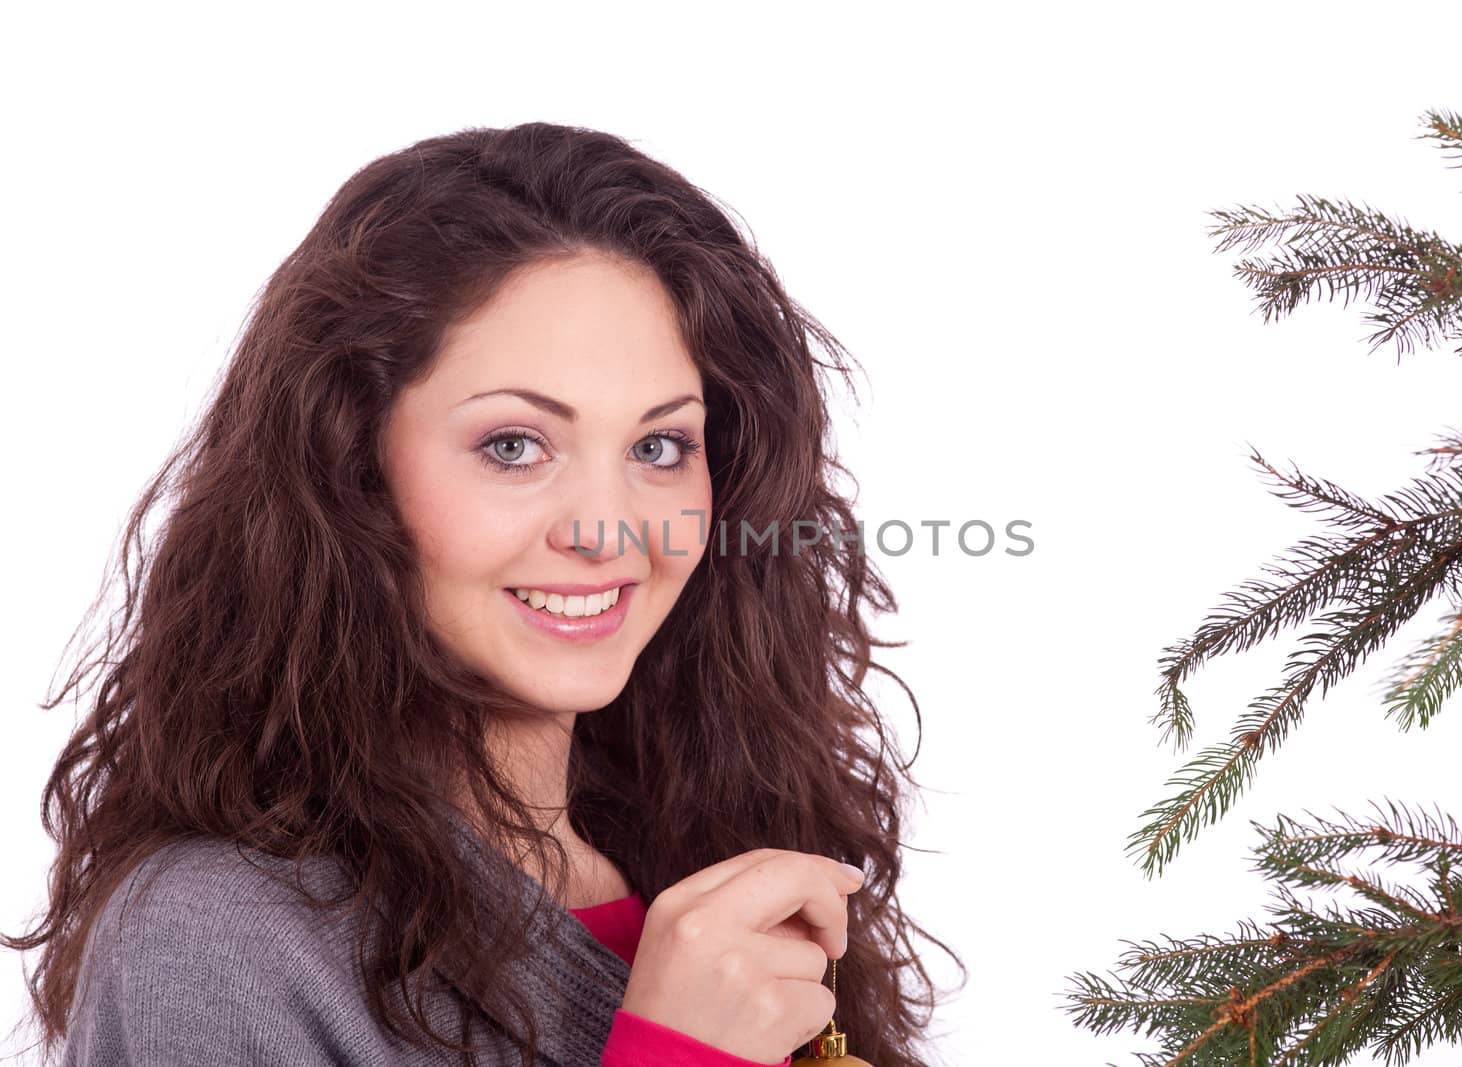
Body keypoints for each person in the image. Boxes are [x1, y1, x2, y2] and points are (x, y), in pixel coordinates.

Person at [4, 122, 963, 1066]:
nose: (608, 530)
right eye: (515, 446)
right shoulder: (213, 940)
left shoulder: (715, 853)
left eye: (658, 446)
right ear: (350, 465)